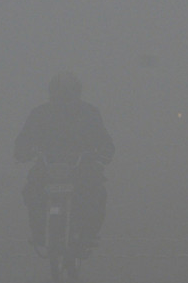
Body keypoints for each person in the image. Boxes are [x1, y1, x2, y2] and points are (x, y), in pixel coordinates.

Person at [14, 72, 114, 255]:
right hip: (47, 166)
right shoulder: (40, 113)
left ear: (77, 93)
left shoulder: (89, 113)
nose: (64, 97)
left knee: (96, 192)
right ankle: (39, 230)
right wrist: (22, 152)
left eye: (69, 92)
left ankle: (88, 232)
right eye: (61, 92)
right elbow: (25, 138)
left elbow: (103, 139)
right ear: (53, 93)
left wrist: (104, 153)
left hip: (83, 166)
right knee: (32, 191)